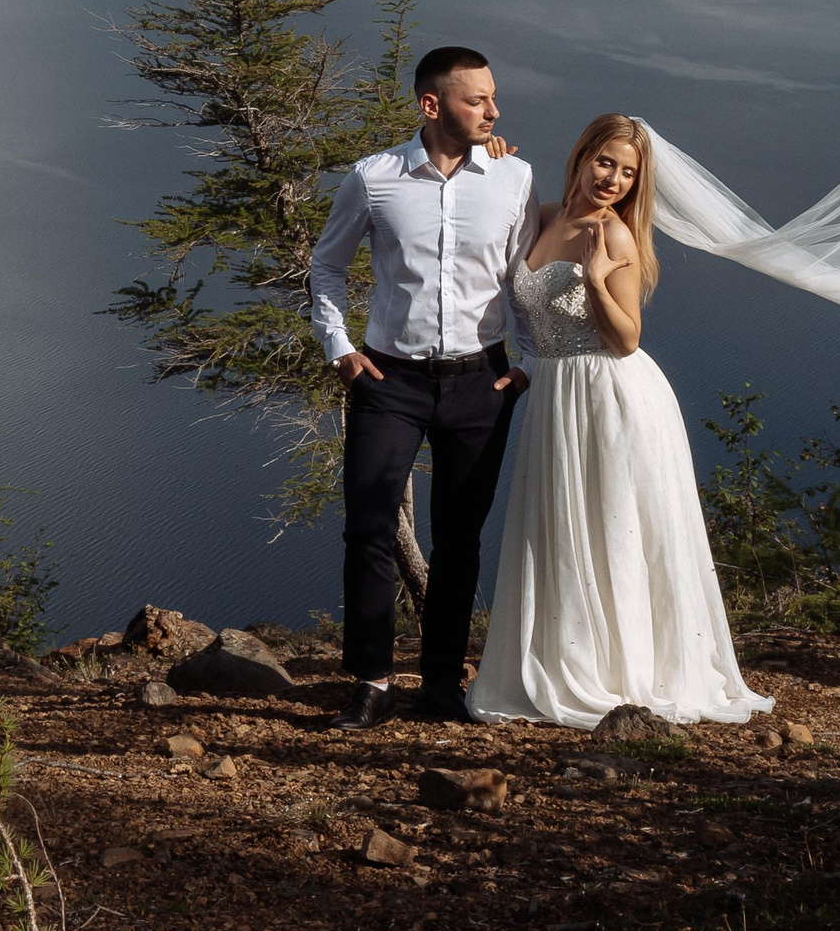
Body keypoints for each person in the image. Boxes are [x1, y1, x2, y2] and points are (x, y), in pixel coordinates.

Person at [469, 113, 772, 729]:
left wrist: (597, 281)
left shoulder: (616, 237)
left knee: (613, 527)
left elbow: (627, 338)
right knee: (562, 526)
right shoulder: (543, 216)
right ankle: (563, 660)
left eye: (628, 173)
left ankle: (620, 672)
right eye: (605, 162)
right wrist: (489, 161)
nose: (613, 180)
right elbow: (490, 230)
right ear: (581, 156)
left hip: (608, 393)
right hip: (556, 393)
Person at [309, 46, 537, 730]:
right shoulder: (373, 178)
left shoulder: (514, 176)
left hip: (481, 382)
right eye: (478, 100)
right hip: (389, 380)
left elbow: (524, 279)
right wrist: (341, 348)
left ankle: (441, 682)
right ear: (431, 105)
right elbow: (326, 267)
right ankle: (373, 683)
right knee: (369, 528)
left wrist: (526, 363)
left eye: (493, 97)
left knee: (460, 539)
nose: (494, 111)